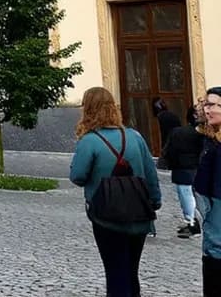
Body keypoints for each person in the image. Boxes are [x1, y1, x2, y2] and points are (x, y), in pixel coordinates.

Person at [69, 86, 161, 297]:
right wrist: (154, 201)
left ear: (88, 109)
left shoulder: (90, 140)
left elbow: (78, 176)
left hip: (106, 215)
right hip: (138, 211)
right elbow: (151, 174)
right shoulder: (135, 136)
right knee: (131, 272)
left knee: (115, 272)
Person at [164, 103, 204, 238]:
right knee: (197, 198)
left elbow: (171, 150)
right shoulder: (203, 134)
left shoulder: (179, 132)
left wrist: (170, 163)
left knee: (187, 197)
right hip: (197, 169)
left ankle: (192, 224)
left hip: (183, 169)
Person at [195, 87, 221, 292]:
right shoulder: (211, 140)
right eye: (206, 104)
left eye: (212, 105)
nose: (207, 109)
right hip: (213, 230)